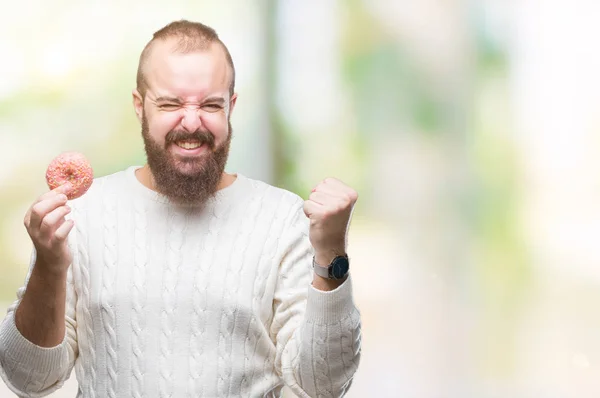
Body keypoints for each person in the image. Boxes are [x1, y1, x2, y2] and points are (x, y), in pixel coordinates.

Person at [0, 19, 361, 397]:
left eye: (210, 104)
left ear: (230, 107)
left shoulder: (281, 217)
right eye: (171, 103)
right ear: (140, 107)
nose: (191, 122)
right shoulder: (83, 215)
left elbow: (323, 385)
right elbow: (29, 379)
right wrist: (49, 265)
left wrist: (331, 253)